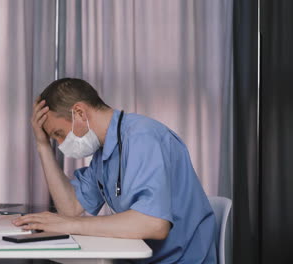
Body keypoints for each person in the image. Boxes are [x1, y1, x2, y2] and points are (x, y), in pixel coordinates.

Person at [12, 78, 217, 263]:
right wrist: (42, 145)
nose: (60, 143)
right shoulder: (105, 151)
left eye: (59, 133)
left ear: (80, 113)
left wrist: (68, 225)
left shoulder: (142, 137)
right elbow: (70, 207)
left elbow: (154, 224)